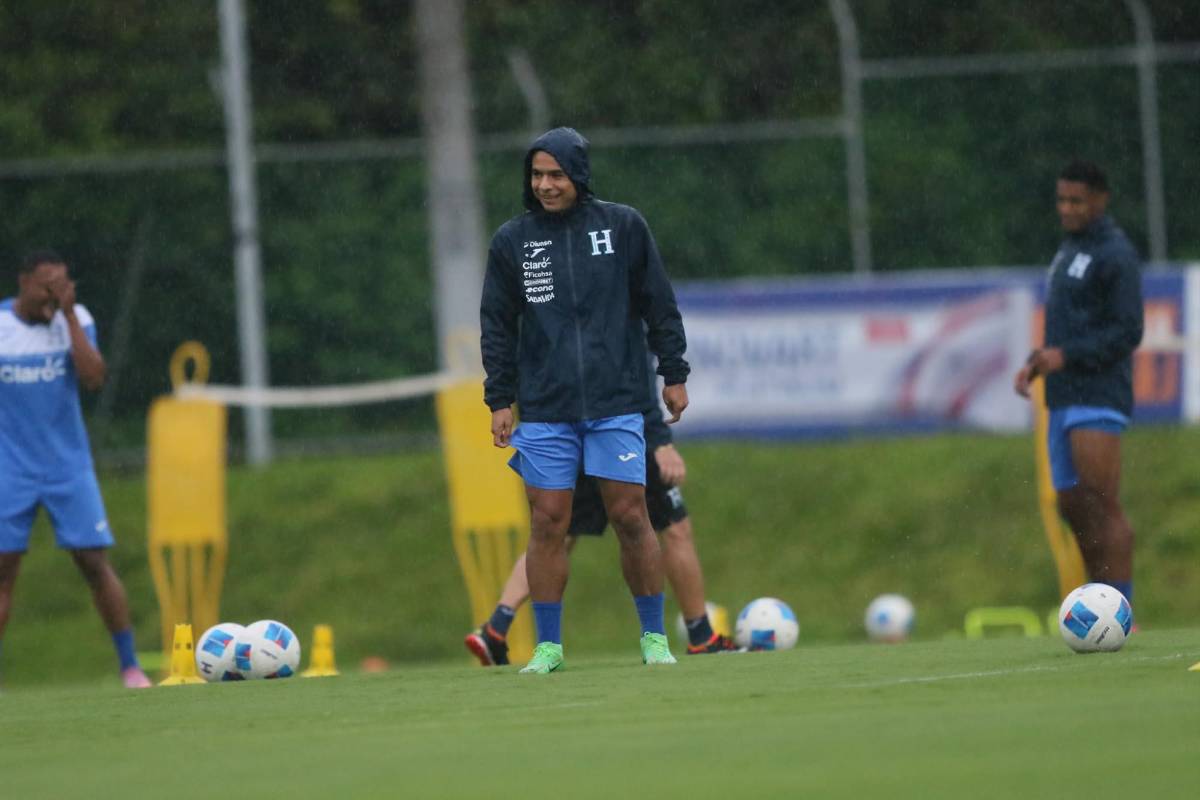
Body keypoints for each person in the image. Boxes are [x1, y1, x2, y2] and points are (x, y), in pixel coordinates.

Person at [480, 127, 690, 674]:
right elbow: (497, 326)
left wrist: (674, 372)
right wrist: (500, 397)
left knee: (630, 515)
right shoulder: (512, 241)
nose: (546, 185)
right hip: (546, 408)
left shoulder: (622, 227)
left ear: (578, 175)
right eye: (537, 175)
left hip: (617, 401)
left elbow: (659, 305)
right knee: (549, 521)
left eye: (556, 175)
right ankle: (547, 647)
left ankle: (653, 639)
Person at [464, 399, 734, 667]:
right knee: (672, 527)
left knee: (555, 535)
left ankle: (498, 622)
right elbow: (639, 373)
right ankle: (700, 634)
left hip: (567, 425)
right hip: (617, 421)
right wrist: (662, 441)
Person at [0, 250, 152, 688]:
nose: (57, 292)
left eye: (65, 283)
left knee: (92, 561)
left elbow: (93, 377)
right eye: (49, 285)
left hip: (68, 466)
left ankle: (129, 666)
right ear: (24, 282)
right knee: (4, 570)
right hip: (11, 468)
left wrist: (65, 317)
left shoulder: (75, 319)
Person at [1014, 160, 1143, 608]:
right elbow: (1069, 327)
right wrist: (1039, 363)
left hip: (1098, 395)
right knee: (1074, 507)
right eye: (1061, 199)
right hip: (1063, 395)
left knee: (1103, 503)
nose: (1066, 209)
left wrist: (1064, 356)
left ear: (1100, 200)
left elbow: (1128, 331)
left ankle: (1122, 611)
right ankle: (1096, 607)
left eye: (1076, 200)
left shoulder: (1115, 254)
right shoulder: (1070, 249)